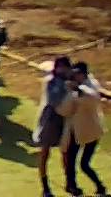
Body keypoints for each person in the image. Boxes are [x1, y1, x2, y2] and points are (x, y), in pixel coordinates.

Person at [58, 62, 107, 197]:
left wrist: (78, 90)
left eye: (78, 74)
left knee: (84, 164)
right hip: (75, 130)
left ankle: (100, 187)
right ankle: (72, 186)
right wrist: (71, 94)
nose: (75, 76)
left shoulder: (92, 84)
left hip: (91, 130)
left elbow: (93, 98)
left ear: (84, 74)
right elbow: (64, 110)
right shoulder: (70, 86)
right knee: (70, 161)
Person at [34, 56, 73, 197]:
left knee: (66, 153)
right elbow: (53, 100)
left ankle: (69, 183)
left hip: (66, 121)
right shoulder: (51, 81)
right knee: (44, 153)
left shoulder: (71, 79)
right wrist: (66, 87)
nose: (62, 70)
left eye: (65, 67)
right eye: (60, 67)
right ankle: (45, 187)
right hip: (50, 121)